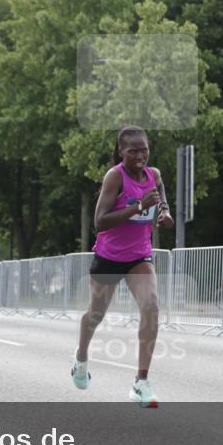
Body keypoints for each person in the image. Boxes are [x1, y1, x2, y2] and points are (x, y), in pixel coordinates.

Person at [72, 126, 174, 407]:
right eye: (133, 151)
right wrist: (138, 206)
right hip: (110, 257)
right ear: (121, 152)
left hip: (139, 256)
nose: (140, 155)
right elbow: (100, 221)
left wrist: (164, 211)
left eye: (144, 150)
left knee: (151, 305)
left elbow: (160, 191)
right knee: (95, 314)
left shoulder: (153, 174)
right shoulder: (115, 177)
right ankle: (81, 358)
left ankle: (141, 383)